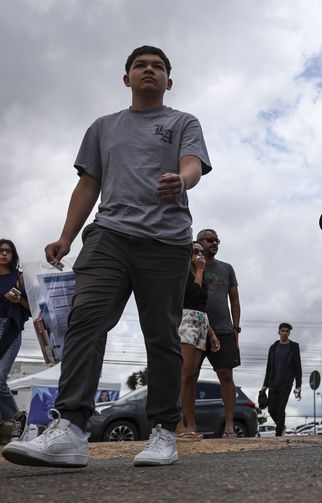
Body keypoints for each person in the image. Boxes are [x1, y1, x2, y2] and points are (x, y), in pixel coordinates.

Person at [2, 46, 211, 468]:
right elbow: (88, 186)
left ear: (169, 81)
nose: (148, 71)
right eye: (139, 66)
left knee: (161, 335)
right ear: (126, 78)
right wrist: (66, 237)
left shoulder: (182, 122)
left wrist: (183, 181)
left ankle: (162, 433)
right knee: (86, 320)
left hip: (167, 241)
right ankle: (72, 429)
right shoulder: (103, 127)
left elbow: (193, 164)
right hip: (108, 237)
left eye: (157, 67)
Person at [196, 228, 241, 437]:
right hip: (195, 327)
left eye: (216, 240)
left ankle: (229, 426)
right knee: (188, 375)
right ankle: (186, 426)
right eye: (209, 240)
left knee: (226, 375)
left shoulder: (227, 268)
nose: (214, 243)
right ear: (198, 243)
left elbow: (234, 299)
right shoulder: (191, 266)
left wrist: (236, 327)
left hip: (223, 329)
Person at [175, 242, 220, 440]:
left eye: (201, 251)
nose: (200, 254)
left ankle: (190, 425)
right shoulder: (183, 274)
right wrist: (200, 270)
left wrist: (211, 333)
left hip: (200, 324)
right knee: (184, 376)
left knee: (192, 378)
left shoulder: (199, 276)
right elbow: (190, 296)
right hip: (185, 323)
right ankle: (176, 425)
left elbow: (201, 305)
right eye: (195, 251)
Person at [0, 239, 31, 439]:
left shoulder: (19, 277)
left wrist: (18, 299)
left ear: (13, 255)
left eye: (7, 251)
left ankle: (17, 417)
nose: (3, 254)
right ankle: (13, 418)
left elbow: (35, 307)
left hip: (9, 330)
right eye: (0, 250)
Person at [261, 323, 302, 436]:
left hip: (286, 383)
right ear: (279, 332)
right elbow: (268, 367)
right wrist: (265, 385)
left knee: (280, 409)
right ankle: (281, 425)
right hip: (273, 383)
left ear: (289, 333)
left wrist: (298, 385)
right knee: (271, 410)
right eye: (283, 331)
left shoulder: (294, 347)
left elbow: (297, 367)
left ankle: (278, 434)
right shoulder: (273, 347)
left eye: (287, 331)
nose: (285, 333)